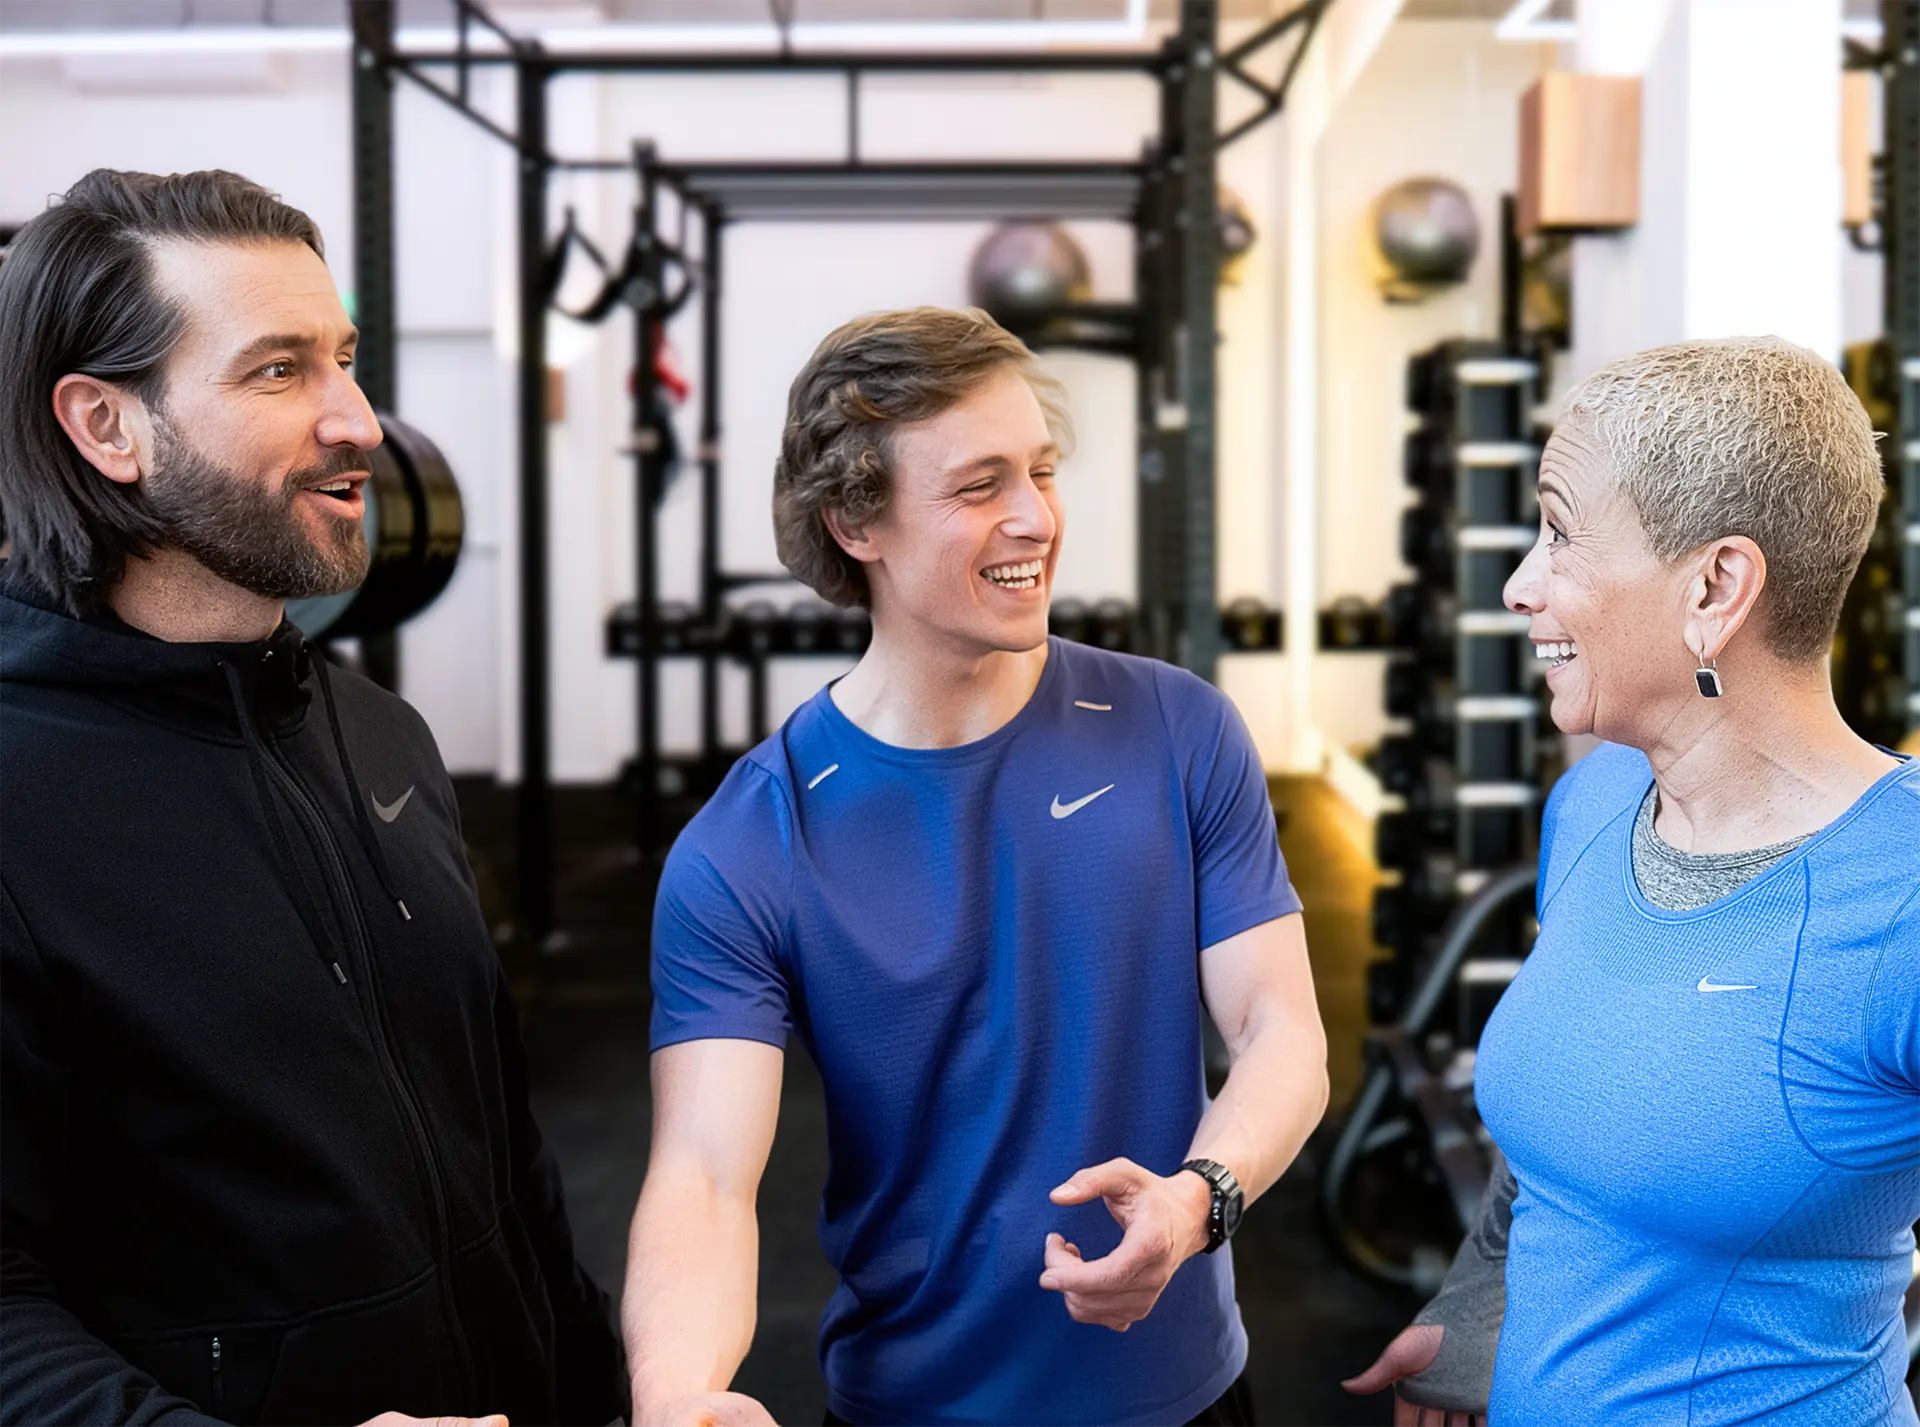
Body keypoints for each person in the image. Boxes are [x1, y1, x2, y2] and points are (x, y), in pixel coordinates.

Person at [622, 307, 1329, 1427]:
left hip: (1182, 1394)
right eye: (980, 485)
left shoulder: (1178, 729)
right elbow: (706, 1172)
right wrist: (675, 1389)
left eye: (1042, 472)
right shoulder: (750, 843)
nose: (1037, 518)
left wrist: (1201, 1198)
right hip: (910, 1403)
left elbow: (1282, 1032)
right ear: (859, 520)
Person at [0, 169, 627, 1427]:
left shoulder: (377, 732)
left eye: (343, 358)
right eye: (279, 370)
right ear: (106, 426)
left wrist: (595, 1385)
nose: (358, 420)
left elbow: (499, 1150)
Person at [1346, 335, 1920, 1425]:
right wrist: (1476, 1315)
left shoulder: (1904, 902)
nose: (1519, 585)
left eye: (1559, 533)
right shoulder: (1600, 800)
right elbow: (1559, 1145)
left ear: (1716, 585)